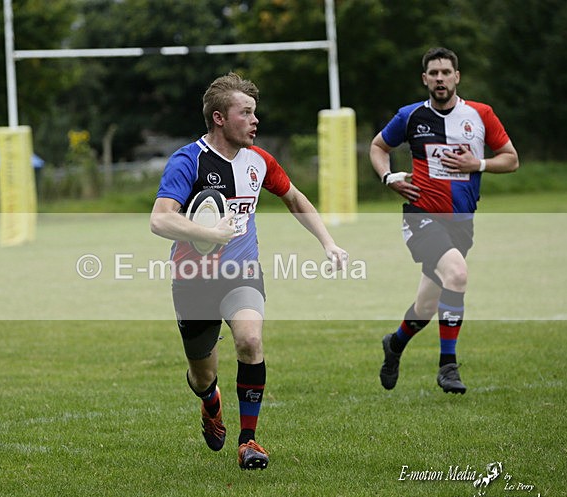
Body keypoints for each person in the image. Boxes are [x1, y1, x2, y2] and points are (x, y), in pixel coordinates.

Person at [150, 72, 348, 469]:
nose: (256, 120)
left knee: (250, 341)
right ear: (220, 118)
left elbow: (294, 198)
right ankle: (211, 402)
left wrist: (327, 242)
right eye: (247, 112)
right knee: (202, 375)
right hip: (193, 281)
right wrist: (206, 231)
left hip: (242, 272)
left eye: (255, 112)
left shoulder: (259, 162)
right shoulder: (189, 160)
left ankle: (249, 441)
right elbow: (159, 220)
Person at [369, 47, 519, 394]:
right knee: (458, 274)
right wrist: (388, 177)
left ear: (457, 77)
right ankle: (447, 366)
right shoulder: (410, 116)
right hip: (421, 216)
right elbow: (378, 147)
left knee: (426, 304)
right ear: (425, 79)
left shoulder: (481, 115)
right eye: (433, 73)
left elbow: (511, 160)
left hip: (461, 221)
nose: (439, 78)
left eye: (445, 72)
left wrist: (476, 165)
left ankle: (394, 344)